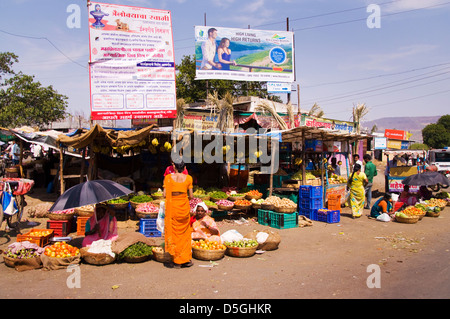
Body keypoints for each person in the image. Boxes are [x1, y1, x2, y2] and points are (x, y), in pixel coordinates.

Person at [163, 161, 194, 268]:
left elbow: (164, 194)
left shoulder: (167, 178)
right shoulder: (189, 178)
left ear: (173, 166)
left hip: (173, 209)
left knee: (174, 234)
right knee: (184, 234)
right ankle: (185, 259)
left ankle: (176, 259)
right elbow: (191, 196)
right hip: (183, 208)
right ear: (185, 167)